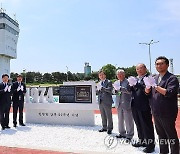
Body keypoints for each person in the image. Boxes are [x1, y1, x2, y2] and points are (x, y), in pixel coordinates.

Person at [145, 56, 179, 154]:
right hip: (156, 111)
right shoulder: (154, 77)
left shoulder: (172, 78)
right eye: (157, 64)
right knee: (161, 135)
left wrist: (155, 86)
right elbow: (148, 93)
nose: (159, 66)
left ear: (167, 65)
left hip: (167, 112)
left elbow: (169, 92)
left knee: (171, 135)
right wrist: (147, 87)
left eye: (161, 63)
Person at [128, 63, 155, 153]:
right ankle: (142, 140)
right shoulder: (136, 79)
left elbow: (147, 89)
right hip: (135, 105)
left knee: (146, 125)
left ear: (145, 69)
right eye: (137, 69)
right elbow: (130, 90)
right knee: (138, 124)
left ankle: (150, 145)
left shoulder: (148, 78)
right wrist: (131, 85)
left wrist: (137, 84)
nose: (139, 70)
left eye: (140, 68)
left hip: (144, 105)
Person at [113, 69, 134, 141]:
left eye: (121, 74)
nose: (119, 76)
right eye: (118, 74)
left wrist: (121, 89)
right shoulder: (116, 82)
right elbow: (116, 92)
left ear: (124, 74)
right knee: (120, 119)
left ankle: (129, 135)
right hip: (119, 103)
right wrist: (115, 90)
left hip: (126, 103)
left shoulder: (128, 82)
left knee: (128, 120)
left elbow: (129, 91)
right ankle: (122, 133)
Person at [97, 70, 113, 134]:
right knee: (103, 115)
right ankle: (104, 127)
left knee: (108, 115)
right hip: (100, 101)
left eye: (102, 74)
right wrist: (97, 90)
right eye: (100, 75)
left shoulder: (109, 82)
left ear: (105, 75)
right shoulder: (99, 83)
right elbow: (97, 92)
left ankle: (110, 128)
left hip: (107, 101)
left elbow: (110, 90)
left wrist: (102, 88)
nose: (101, 76)